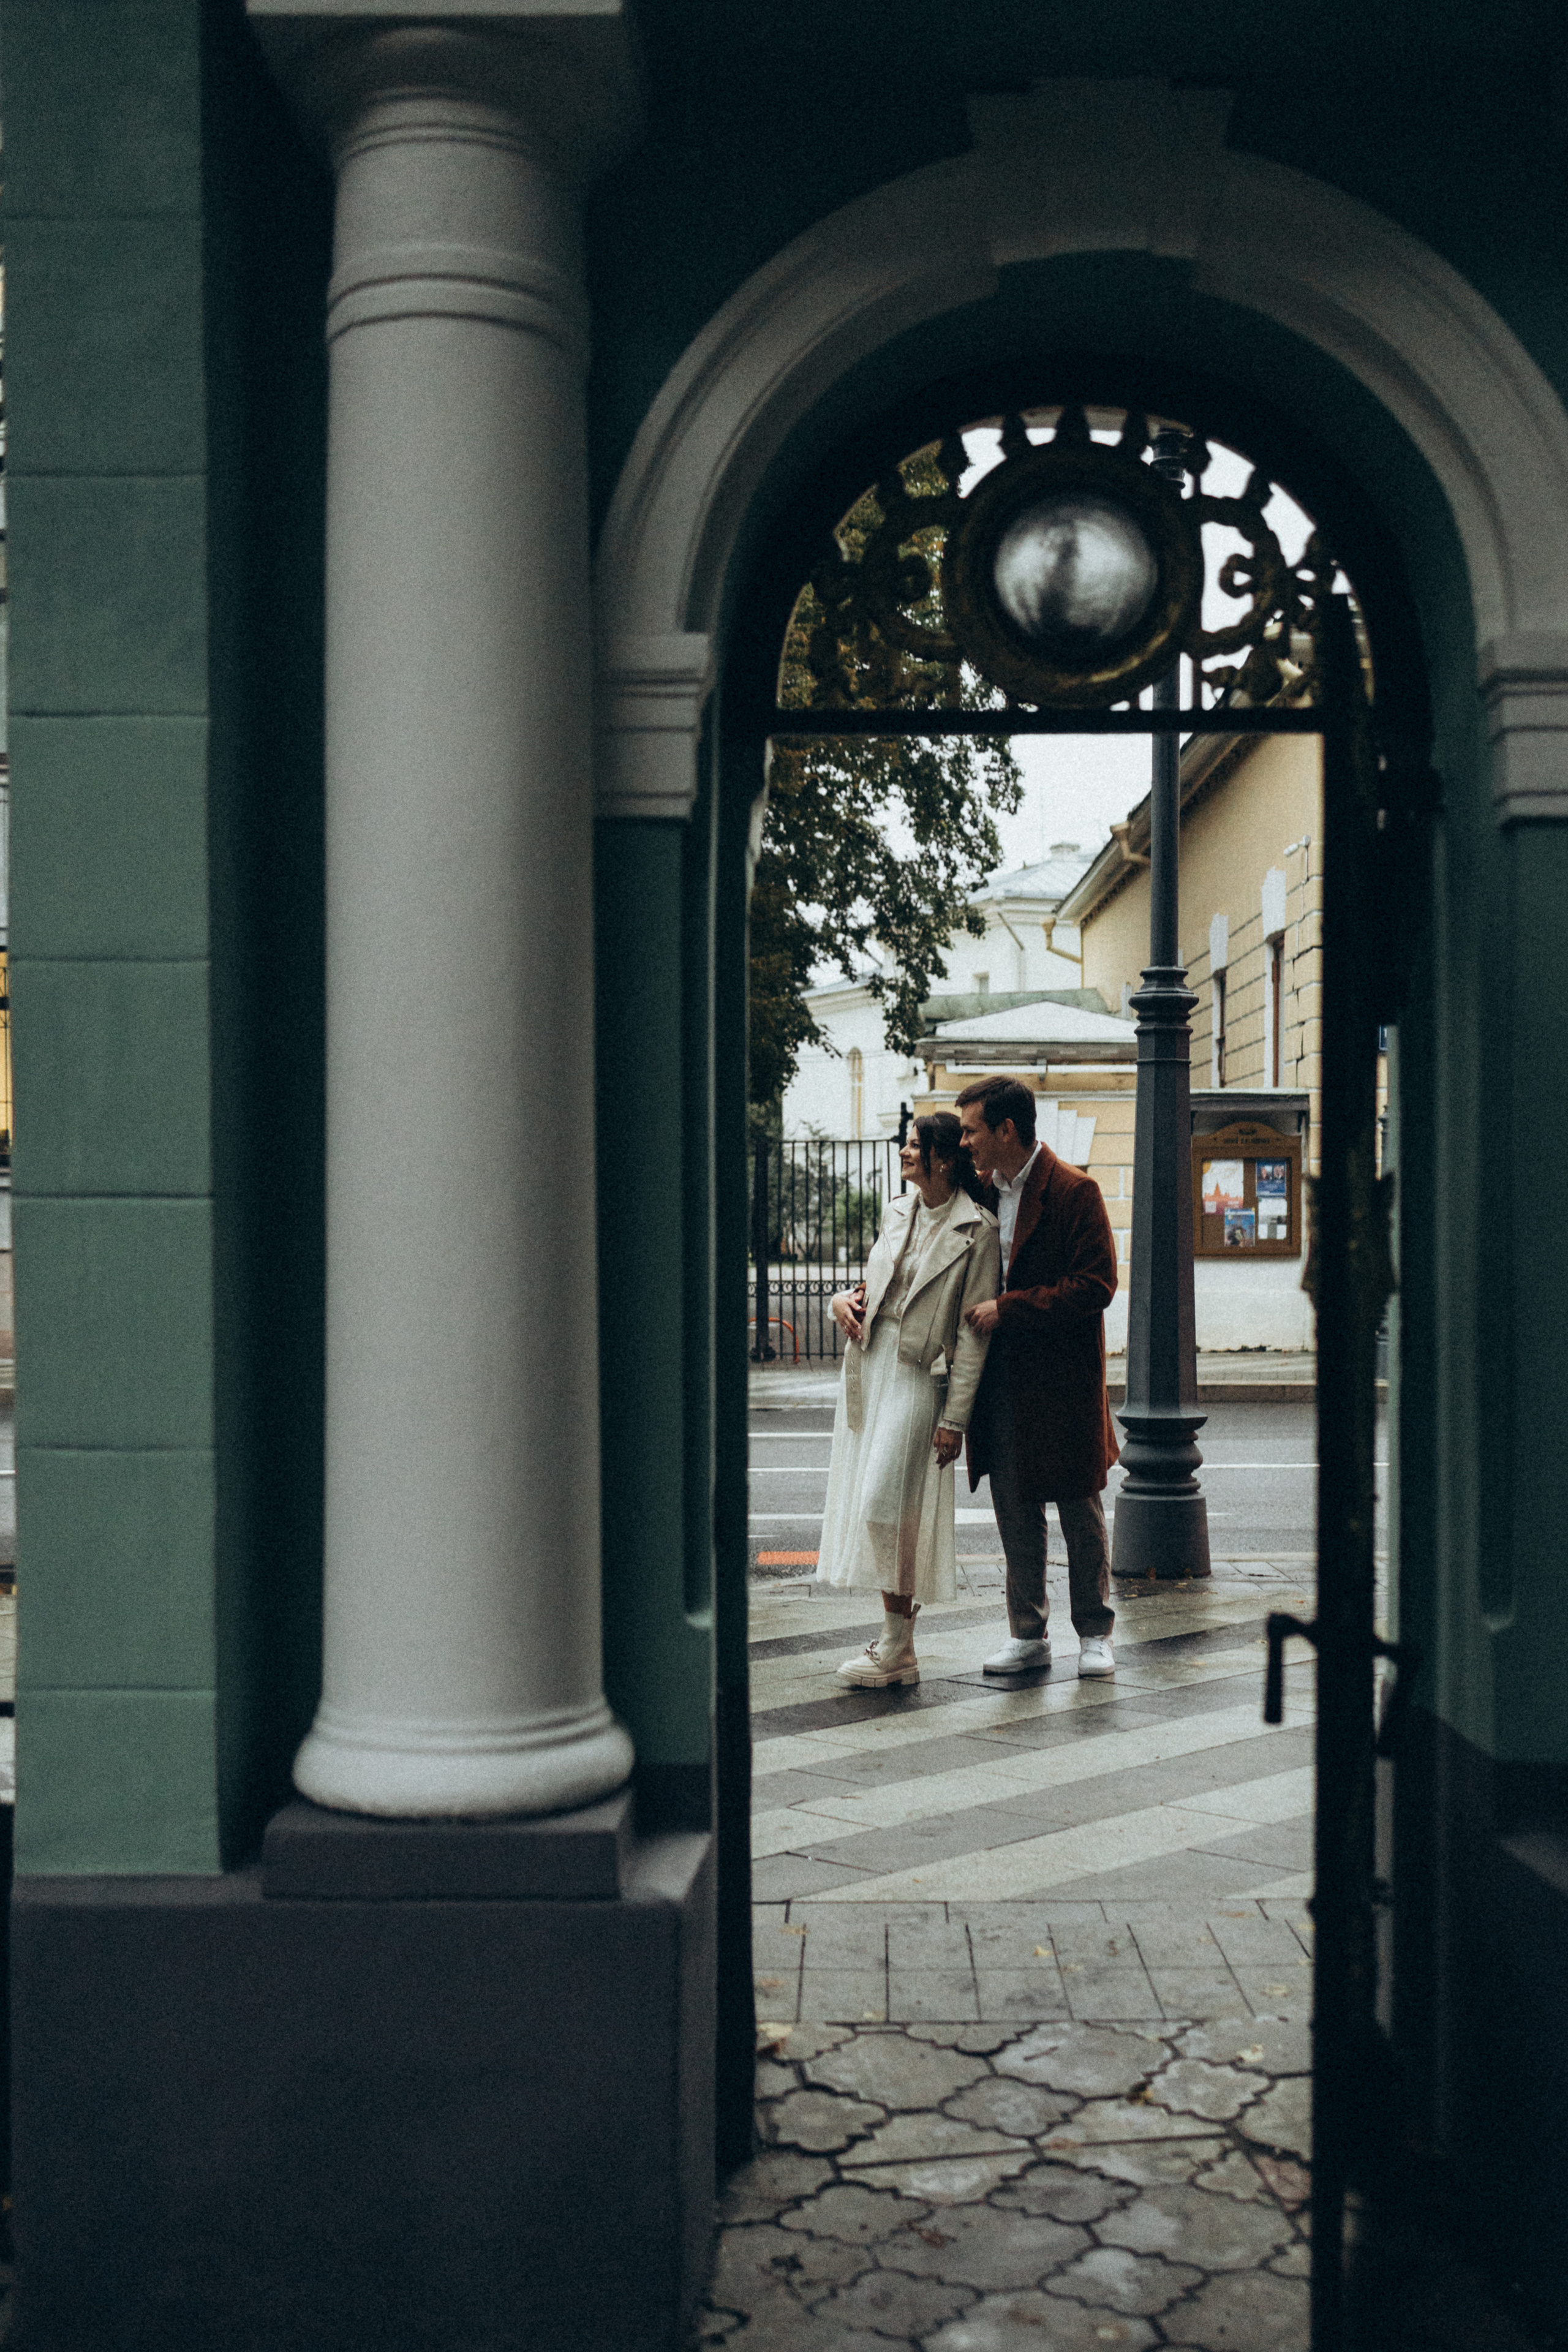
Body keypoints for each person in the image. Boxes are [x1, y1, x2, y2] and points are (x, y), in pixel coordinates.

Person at [817, 1113, 1001, 1687]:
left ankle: (898, 1644)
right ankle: (899, 1646)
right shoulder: (900, 1210)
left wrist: (955, 1419)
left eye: (914, 1145)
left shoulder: (979, 1230)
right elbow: (874, 1288)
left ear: (942, 1160)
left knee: (885, 1505)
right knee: (880, 1508)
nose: (904, 1151)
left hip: (920, 1375)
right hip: (870, 1365)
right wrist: (838, 1303)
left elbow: (973, 1335)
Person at [956, 1076, 1120, 1679]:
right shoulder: (975, 1193)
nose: (965, 1141)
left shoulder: (1074, 1191)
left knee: (1080, 1510)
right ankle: (1027, 1634)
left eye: (973, 1129)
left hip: (1063, 1381)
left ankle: (1095, 1633)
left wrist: (1011, 1308)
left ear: (1006, 1130)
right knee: (1014, 1511)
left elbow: (1096, 1284)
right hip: (999, 1380)